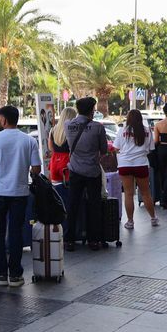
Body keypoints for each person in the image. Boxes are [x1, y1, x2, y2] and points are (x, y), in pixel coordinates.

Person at [0, 105, 41, 286]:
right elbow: (36, 169)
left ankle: (0, 274)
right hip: (20, 193)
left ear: (3, 120)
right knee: (16, 232)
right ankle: (16, 275)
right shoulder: (29, 141)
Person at [64, 97, 108, 251]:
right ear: (92, 110)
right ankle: (93, 240)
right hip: (92, 171)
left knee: (72, 205)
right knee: (93, 206)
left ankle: (69, 239)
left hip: (75, 170)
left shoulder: (68, 125)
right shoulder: (97, 127)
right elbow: (104, 150)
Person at [114, 109, 158, 229]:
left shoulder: (122, 130)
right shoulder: (147, 130)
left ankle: (130, 221)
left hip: (124, 164)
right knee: (146, 193)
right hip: (141, 164)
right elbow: (151, 149)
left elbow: (116, 148)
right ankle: (153, 218)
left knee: (128, 194)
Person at [48, 107, 77, 183]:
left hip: (55, 161)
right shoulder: (73, 131)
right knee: (69, 191)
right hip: (68, 162)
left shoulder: (53, 130)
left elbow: (50, 148)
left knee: (57, 191)